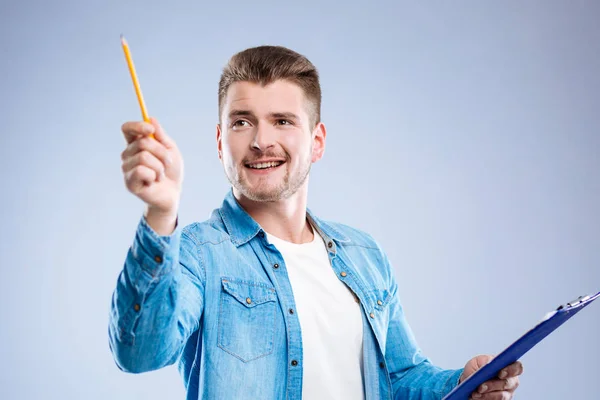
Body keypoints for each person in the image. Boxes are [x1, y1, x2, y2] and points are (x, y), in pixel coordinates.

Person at [109, 45, 523, 400]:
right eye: (241, 121)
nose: (259, 140)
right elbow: (139, 352)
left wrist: (462, 385)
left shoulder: (364, 255)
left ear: (317, 141)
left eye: (282, 121)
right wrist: (162, 213)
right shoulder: (198, 253)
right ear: (220, 142)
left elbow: (399, 378)